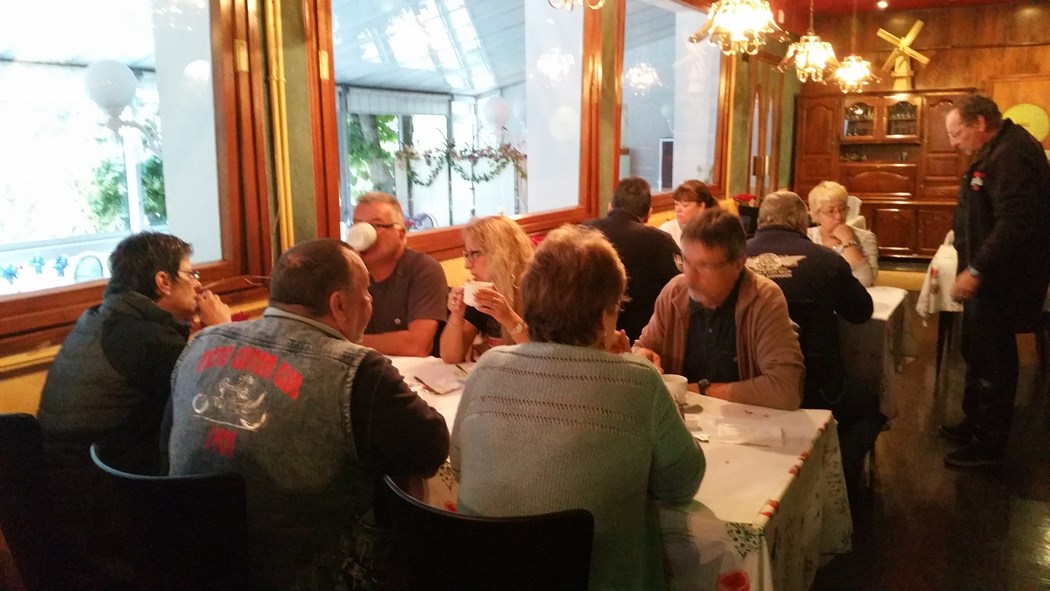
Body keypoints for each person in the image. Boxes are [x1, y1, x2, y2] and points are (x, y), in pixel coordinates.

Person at [166, 238, 449, 588]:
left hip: (195, 560)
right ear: (338, 304)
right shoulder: (359, 370)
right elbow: (431, 450)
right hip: (317, 572)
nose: (370, 301)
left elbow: (167, 442)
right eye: (365, 291)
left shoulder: (201, 343)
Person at [451, 224, 704, 590]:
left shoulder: (488, 368)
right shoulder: (638, 381)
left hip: (485, 576)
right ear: (604, 317)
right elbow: (682, 484)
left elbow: (459, 467)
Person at [37, 232, 231, 580]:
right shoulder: (143, 339)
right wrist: (221, 333)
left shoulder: (102, 319)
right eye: (191, 274)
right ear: (163, 282)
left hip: (66, 501)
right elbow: (217, 400)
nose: (199, 285)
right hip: (106, 519)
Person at [940, 93, 1050, 468]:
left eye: (957, 134)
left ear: (980, 123)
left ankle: (988, 446)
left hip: (1002, 279)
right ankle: (975, 423)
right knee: (977, 351)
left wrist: (976, 270)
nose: (953, 144)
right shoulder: (995, 150)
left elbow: (1016, 223)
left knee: (994, 360)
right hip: (988, 275)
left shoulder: (1013, 154)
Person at [746, 190, 881, 494]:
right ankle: (833, 482)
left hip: (745, 377)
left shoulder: (732, 258)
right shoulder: (826, 260)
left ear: (761, 220)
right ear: (800, 222)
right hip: (816, 385)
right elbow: (861, 312)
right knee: (868, 410)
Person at [633, 208, 804, 410]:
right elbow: (643, 347)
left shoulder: (762, 298)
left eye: (704, 266)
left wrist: (700, 391)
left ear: (738, 264)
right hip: (682, 422)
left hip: (744, 422)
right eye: (685, 261)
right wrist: (642, 357)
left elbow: (786, 389)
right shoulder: (674, 293)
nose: (690, 278)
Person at [582, 176, 681, 343]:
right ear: (648, 214)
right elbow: (680, 290)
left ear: (610, 207)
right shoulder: (660, 242)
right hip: (641, 340)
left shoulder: (584, 232)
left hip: (588, 337)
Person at [352, 192, 448, 357]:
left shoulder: (423, 269)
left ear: (401, 234)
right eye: (357, 225)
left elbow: (418, 345)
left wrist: (347, 342)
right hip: (368, 366)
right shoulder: (349, 273)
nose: (364, 233)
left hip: (417, 370)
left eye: (376, 225)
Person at [440, 215, 532, 363]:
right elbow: (450, 357)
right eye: (466, 254)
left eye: (474, 254)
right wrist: (456, 315)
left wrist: (509, 319)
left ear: (503, 253)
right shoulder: (482, 290)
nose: (467, 265)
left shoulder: (536, 292)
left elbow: (544, 358)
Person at [807, 180, 879, 286]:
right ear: (816, 214)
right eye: (830, 211)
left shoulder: (865, 238)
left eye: (843, 209)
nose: (839, 216)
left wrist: (848, 242)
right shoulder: (806, 237)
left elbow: (865, 281)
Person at [659, 179, 718, 247]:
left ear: (701, 206)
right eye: (676, 204)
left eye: (685, 205)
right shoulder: (667, 229)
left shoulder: (714, 230)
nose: (678, 209)